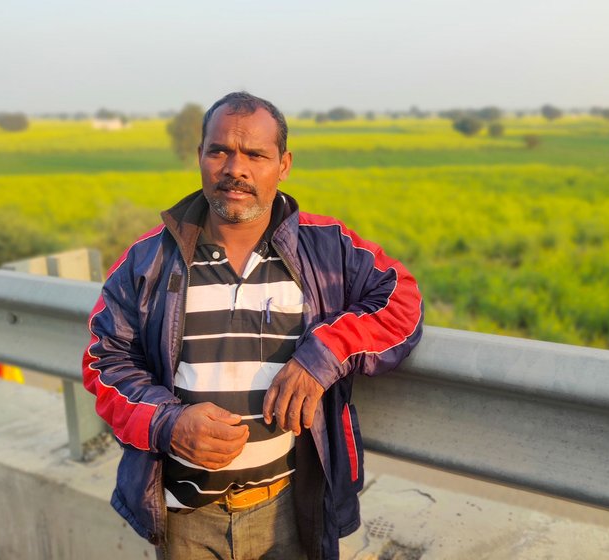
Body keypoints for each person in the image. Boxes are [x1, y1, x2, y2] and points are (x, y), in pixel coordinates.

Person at [82, 91, 423, 560]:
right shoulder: (148, 259)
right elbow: (105, 362)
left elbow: (402, 301)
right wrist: (168, 422)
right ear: (199, 156)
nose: (234, 169)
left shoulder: (327, 248)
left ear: (283, 164)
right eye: (219, 150)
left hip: (290, 508)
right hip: (184, 517)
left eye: (255, 154)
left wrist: (324, 354)